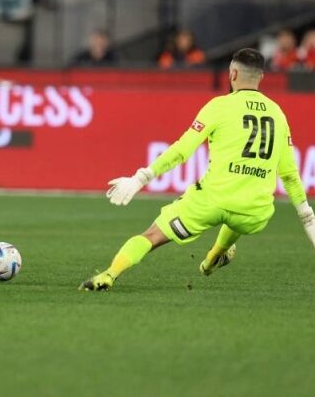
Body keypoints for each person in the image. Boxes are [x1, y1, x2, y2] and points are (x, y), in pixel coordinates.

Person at [80, 48, 314, 291]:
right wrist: (308, 219)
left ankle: (108, 275)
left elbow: (182, 150)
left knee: (151, 237)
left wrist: (141, 178)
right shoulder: (278, 113)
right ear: (261, 77)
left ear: (232, 74)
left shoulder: (219, 106)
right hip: (255, 213)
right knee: (237, 214)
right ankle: (217, 254)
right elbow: (288, 174)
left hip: (210, 202)